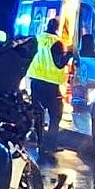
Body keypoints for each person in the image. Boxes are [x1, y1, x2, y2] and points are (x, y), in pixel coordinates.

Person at [25, 18, 71, 152]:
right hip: (51, 85)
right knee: (56, 115)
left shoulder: (38, 39)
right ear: (56, 28)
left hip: (36, 81)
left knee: (38, 113)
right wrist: (69, 55)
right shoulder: (57, 42)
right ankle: (50, 145)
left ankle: (38, 141)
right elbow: (59, 63)